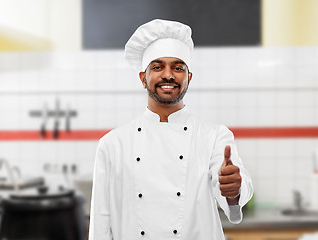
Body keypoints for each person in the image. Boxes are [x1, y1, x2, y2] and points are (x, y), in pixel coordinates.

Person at [89, 19, 253, 240]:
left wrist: (233, 190)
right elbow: (101, 220)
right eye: (157, 67)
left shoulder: (214, 136)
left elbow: (234, 192)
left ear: (189, 78)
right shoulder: (112, 144)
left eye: (178, 67)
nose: (168, 75)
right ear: (142, 78)